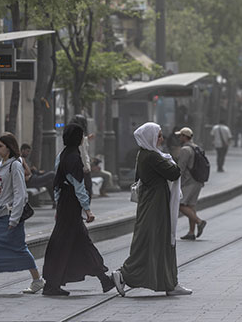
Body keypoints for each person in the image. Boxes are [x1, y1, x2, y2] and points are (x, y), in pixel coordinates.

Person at [112, 122, 190, 297]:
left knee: (160, 241)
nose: (161, 138)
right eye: (159, 135)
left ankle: (170, 283)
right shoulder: (153, 157)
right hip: (155, 204)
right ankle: (123, 274)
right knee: (151, 241)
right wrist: (170, 160)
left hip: (152, 202)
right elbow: (174, 173)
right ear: (150, 137)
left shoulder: (144, 154)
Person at [41, 124, 114, 296]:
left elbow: (58, 183)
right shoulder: (74, 158)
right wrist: (87, 210)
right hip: (71, 205)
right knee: (75, 243)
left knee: (73, 243)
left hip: (64, 205)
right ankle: (53, 284)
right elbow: (79, 187)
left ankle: (102, 280)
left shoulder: (62, 155)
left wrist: (58, 205)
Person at [0, 133, 44, 295]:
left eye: (0, 146)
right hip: (0, 213)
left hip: (10, 216)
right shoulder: (2, 164)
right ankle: (37, 280)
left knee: (9, 247)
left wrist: (14, 219)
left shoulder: (15, 166)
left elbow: (21, 194)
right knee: (4, 247)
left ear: (9, 147)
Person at [175, 127, 206, 241]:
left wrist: (176, 181)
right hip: (198, 181)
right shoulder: (197, 147)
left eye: (180, 136)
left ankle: (199, 222)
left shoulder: (185, 150)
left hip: (189, 181)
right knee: (191, 206)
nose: (179, 138)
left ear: (184, 136)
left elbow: (181, 168)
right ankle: (191, 232)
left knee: (180, 205)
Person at [69, 115, 93, 199]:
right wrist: (86, 166)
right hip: (81, 166)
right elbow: (83, 152)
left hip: (72, 166)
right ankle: (86, 209)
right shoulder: (80, 135)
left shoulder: (70, 134)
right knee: (87, 188)